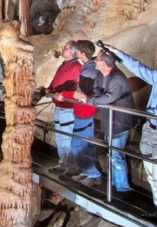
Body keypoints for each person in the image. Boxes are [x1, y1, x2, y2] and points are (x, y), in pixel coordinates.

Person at [105, 43, 157, 224]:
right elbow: (138, 68)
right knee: (151, 175)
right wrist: (117, 52)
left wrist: (149, 111)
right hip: (149, 129)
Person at [72, 50, 137, 193]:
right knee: (113, 153)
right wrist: (91, 97)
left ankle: (122, 188)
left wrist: (88, 100)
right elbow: (97, 90)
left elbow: (108, 98)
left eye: (97, 59)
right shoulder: (101, 75)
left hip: (120, 121)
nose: (95, 60)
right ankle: (115, 183)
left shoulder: (117, 79)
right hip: (110, 120)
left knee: (116, 154)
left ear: (104, 63)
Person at [60, 40, 103, 184]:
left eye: (77, 50)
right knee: (88, 144)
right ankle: (88, 172)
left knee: (76, 145)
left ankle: (93, 174)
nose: (75, 52)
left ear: (83, 53)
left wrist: (63, 94)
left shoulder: (89, 71)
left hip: (84, 111)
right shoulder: (88, 67)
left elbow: (80, 94)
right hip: (85, 110)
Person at [47, 41, 83, 176]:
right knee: (60, 138)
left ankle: (72, 167)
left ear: (72, 51)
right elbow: (55, 81)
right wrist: (49, 89)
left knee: (68, 139)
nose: (63, 49)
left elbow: (74, 87)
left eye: (65, 48)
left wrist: (61, 93)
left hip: (68, 108)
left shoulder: (76, 67)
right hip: (59, 106)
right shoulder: (63, 65)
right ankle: (63, 163)